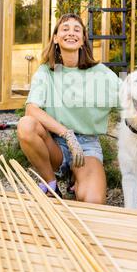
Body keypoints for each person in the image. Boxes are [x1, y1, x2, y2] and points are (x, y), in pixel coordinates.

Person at [17, 13, 121, 204]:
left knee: (93, 202)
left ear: (83, 40)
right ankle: (51, 185)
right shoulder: (46, 72)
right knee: (26, 125)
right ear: (56, 38)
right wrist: (67, 134)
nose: (71, 33)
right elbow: (31, 110)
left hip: (86, 146)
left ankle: (77, 177)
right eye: (65, 29)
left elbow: (132, 99)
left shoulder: (101, 73)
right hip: (55, 144)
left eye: (77, 30)